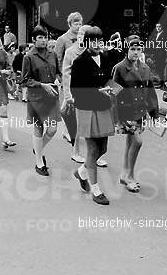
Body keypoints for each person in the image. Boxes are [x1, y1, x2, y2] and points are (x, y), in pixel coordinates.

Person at [71, 26, 115, 205]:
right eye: (93, 41)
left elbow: (107, 80)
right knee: (93, 150)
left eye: (100, 41)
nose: (97, 44)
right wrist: (98, 92)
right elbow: (76, 90)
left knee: (103, 148)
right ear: (87, 42)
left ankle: (81, 172)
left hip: (103, 107)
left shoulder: (105, 57)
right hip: (86, 109)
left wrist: (115, 90)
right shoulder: (79, 62)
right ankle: (96, 190)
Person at [112, 35, 158, 193]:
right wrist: (116, 118)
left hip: (140, 111)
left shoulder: (145, 68)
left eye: (139, 49)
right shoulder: (120, 68)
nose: (136, 52)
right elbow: (114, 94)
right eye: (133, 49)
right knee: (137, 142)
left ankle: (124, 173)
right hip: (126, 112)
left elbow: (151, 92)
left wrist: (155, 114)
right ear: (127, 50)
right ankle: (130, 176)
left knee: (130, 142)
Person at [22, 25, 62, 176]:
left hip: (51, 97)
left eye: (45, 37)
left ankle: (37, 148)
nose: (43, 40)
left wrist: (58, 80)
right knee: (38, 128)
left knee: (52, 130)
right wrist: (42, 85)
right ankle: (39, 162)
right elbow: (25, 80)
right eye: (40, 37)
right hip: (36, 98)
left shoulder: (53, 54)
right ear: (33, 40)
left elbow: (58, 72)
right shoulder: (28, 57)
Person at [62, 25, 91, 164]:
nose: (80, 37)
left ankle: (94, 155)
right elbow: (66, 75)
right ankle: (76, 152)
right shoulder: (70, 52)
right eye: (79, 34)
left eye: (83, 35)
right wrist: (68, 96)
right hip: (75, 92)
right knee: (78, 124)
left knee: (91, 124)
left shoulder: (92, 51)